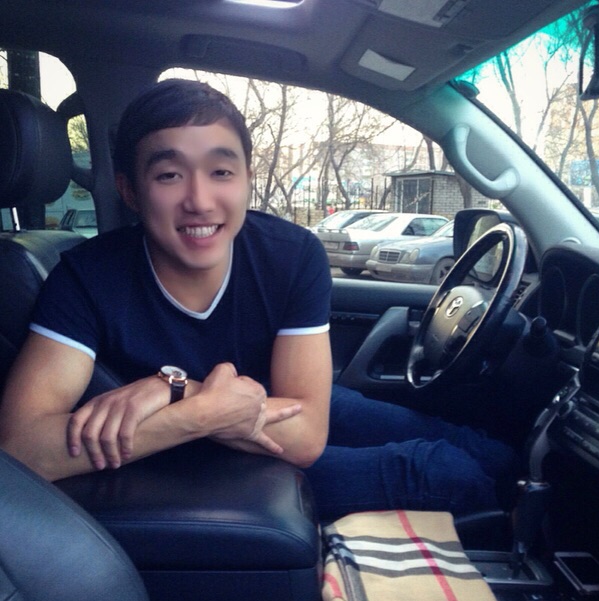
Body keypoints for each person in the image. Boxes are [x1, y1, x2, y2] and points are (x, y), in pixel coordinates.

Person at [0, 79, 515, 522]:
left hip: (263, 409)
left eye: (221, 172)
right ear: (130, 191)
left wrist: (175, 389)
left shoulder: (291, 255)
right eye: (169, 175)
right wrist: (197, 412)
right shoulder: (85, 276)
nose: (200, 200)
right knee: (443, 471)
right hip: (187, 462)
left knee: (461, 441)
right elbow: (21, 448)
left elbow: (307, 430)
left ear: (247, 178)